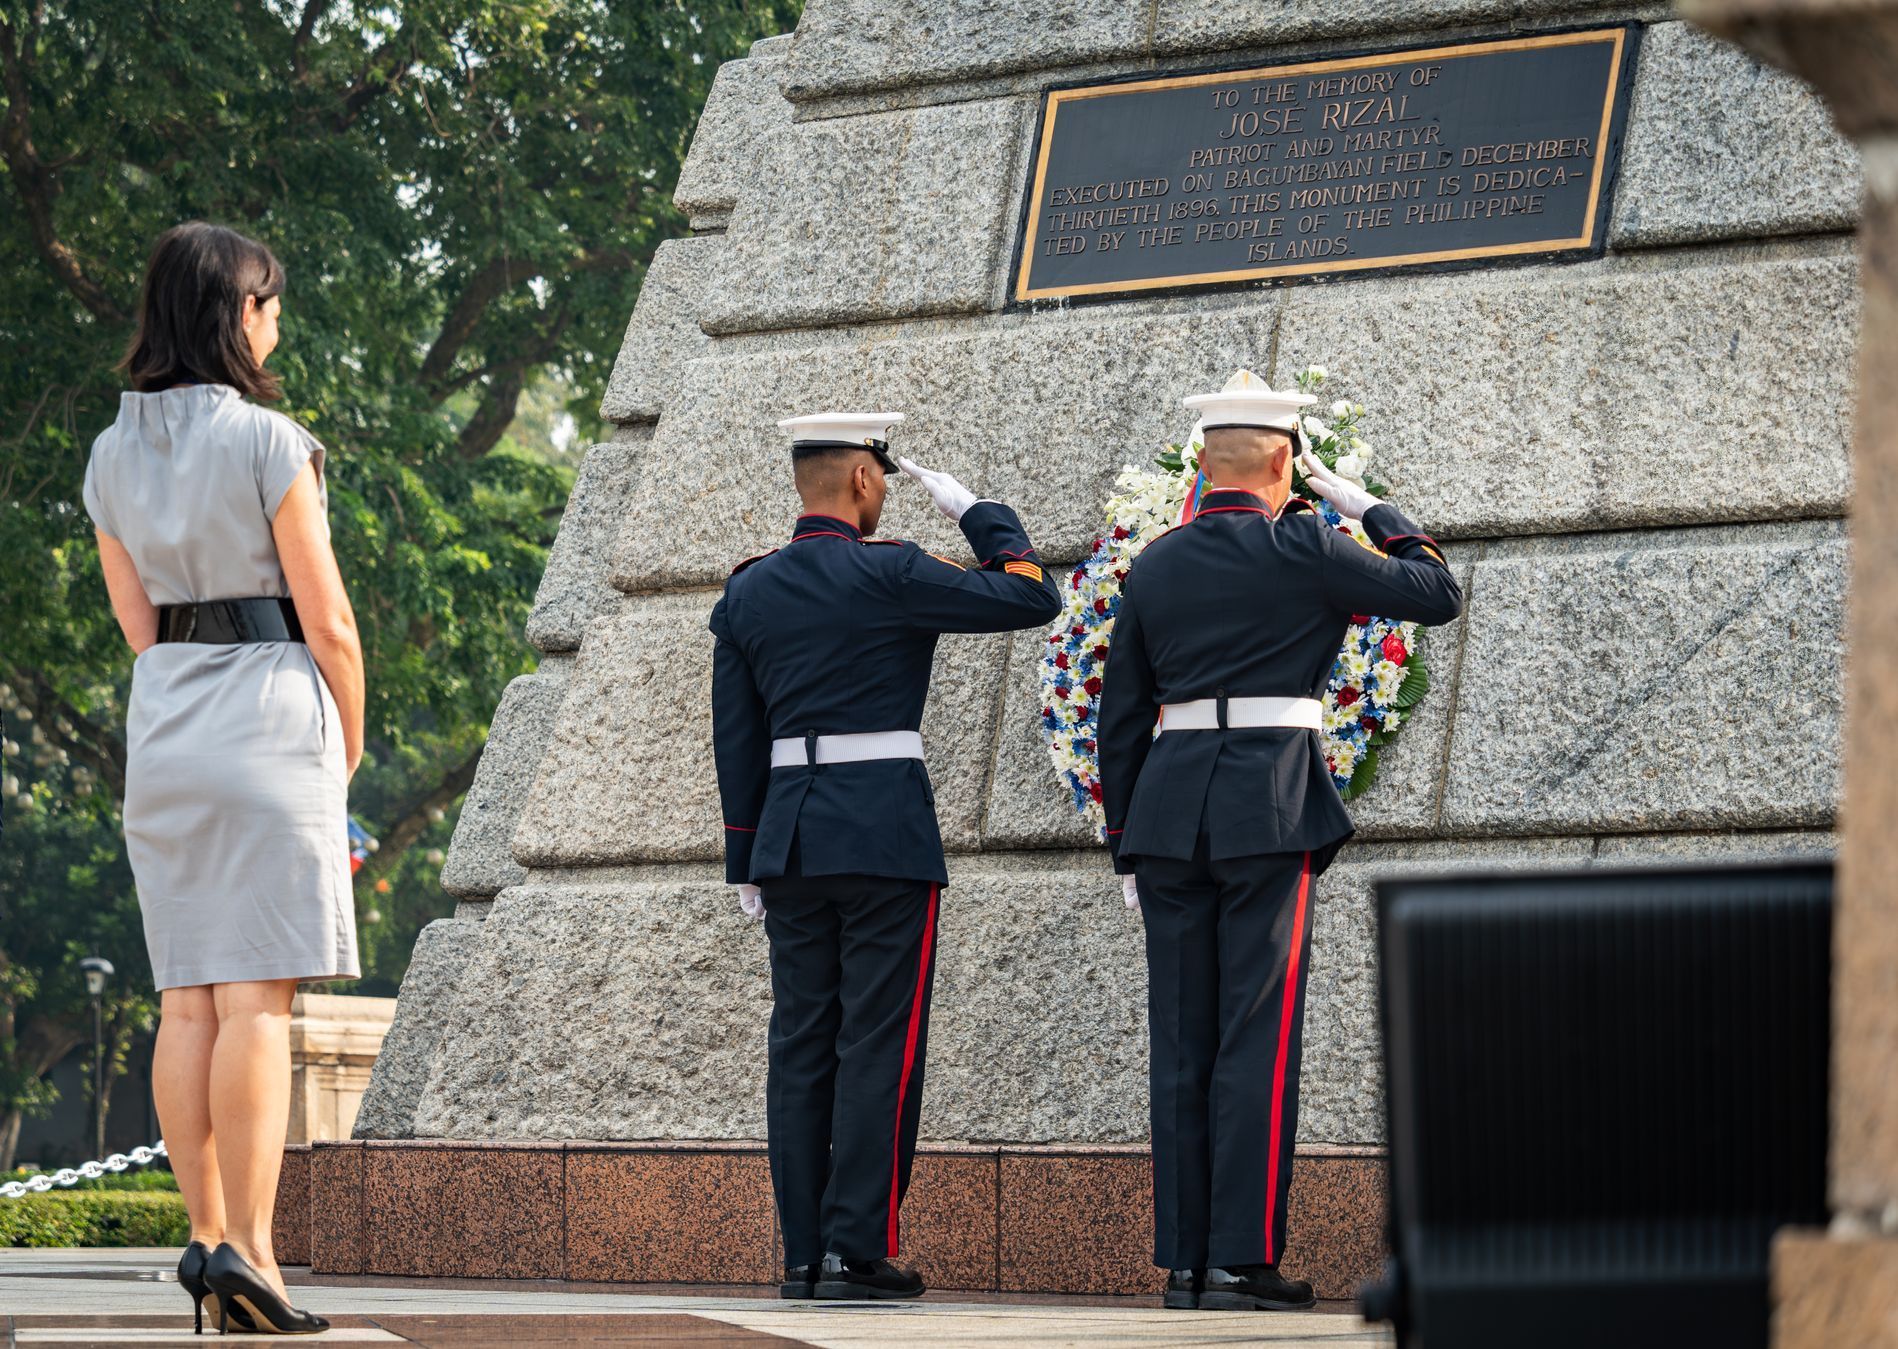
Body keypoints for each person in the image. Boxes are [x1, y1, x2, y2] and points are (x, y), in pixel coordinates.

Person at [1097, 382, 1463, 1312]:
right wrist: (1365, 506)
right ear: (1281, 463)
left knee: (1182, 1036)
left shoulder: (1157, 563)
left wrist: (1124, 839)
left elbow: (1123, 711)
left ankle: (1185, 1259)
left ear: (1206, 463)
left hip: (1171, 813)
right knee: (1253, 1036)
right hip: (1267, 806)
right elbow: (1435, 591)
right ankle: (1241, 1259)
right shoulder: (1304, 546)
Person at [83, 221, 362, 1336]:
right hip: (265, 711)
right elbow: (328, 615)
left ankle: (203, 1236)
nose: (276, 321)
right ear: (238, 312)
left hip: (168, 722)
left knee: (186, 993)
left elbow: (138, 625)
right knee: (258, 996)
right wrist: (342, 739)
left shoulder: (108, 454)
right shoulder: (271, 440)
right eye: (271, 303)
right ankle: (256, 1248)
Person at [710, 412, 1060, 1301]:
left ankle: (800, 1254)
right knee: (877, 1042)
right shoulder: (895, 569)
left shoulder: (748, 590)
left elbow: (737, 737)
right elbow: (1028, 591)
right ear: (866, 482)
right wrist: (976, 509)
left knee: (800, 1042)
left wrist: (745, 856)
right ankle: (853, 1250)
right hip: (883, 834)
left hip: (789, 837)